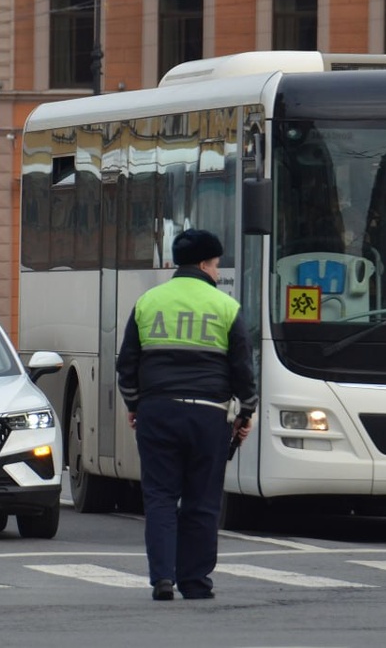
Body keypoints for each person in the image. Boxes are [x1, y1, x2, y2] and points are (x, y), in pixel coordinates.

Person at [116, 228, 258, 602]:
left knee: (160, 497)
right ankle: (195, 581)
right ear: (204, 264)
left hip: (158, 412)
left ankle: (163, 578)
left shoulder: (148, 302)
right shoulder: (226, 306)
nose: (217, 272)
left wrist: (134, 405)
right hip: (208, 417)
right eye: (216, 265)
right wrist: (246, 412)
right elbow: (243, 368)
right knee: (203, 501)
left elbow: (127, 363)